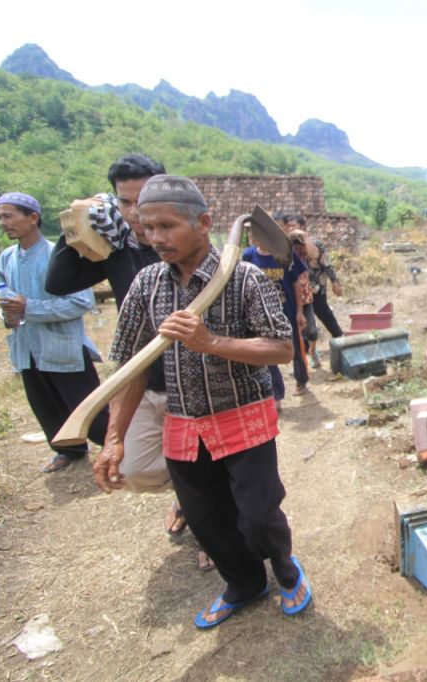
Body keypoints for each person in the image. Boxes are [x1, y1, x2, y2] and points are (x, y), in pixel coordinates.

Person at [101, 175, 310, 628]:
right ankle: (244, 584)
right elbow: (130, 366)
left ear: (204, 224)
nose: (156, 238)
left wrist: (211, 341)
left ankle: (287, 570)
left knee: (257, 517)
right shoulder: (146, 285)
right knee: (208, 521)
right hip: (183, 426)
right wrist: (114, 437)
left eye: (168, 226)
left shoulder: (244, 278)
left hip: (245, 418)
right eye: (147, 226)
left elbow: (281, 349)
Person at [44, 155, 210, 568]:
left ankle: (210, 525)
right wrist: (76, 230)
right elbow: (58, 283)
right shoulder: (118, 249)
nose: (137, 215)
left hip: (197, 380)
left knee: (207, 465)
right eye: (124, 203)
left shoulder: (187, 243)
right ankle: (191, 496)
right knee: (136, 469)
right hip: (144, 378)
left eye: (144, 201)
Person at [0, 192, 107, 473]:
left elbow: (81, 301)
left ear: (33, 218)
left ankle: (115, 447)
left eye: (8, 216)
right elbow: (4, 297)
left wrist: (29, 308)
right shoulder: (6, 259)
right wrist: (8, 315)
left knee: (88, 406)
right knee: (45, 404)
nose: (3, 223)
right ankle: (68, 450)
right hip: (27, 346)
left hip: (62, 345)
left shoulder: (56, 255)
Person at [240, 226, 309, 410]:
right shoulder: (248, 256)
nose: (252, 236)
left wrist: (300, 311)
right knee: (267, 354)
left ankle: (301, 380)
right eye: (251, 234)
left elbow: (296, 283)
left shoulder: (283, 254)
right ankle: (276, 396)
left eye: (256, 232)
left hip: (287, 310)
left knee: (294, 349)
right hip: (261, 315)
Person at [281, 214, 345, 368]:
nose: (292, 229)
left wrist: (335, 282)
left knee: (327, 318)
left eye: (295, 225)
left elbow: (324, 263)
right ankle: (309, 355)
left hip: (316, 290)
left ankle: (343, 345)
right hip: (298, 293)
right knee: (305, 328)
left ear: (303, 227)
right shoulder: (287, 247)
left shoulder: (315, 243)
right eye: (289, 226)